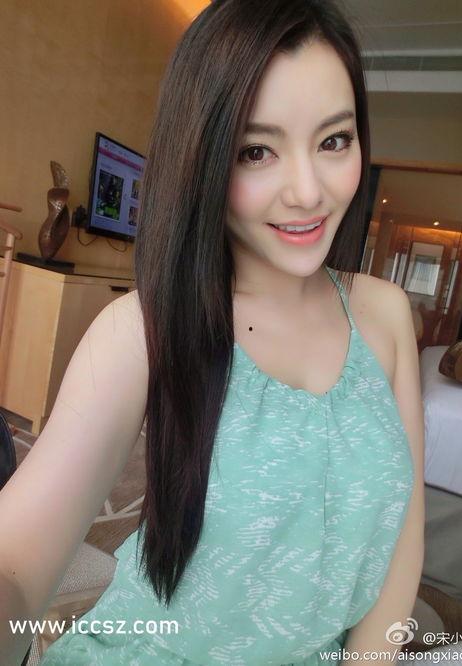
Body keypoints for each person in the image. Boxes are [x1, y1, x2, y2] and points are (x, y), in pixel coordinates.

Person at [0, 0, 427, 664]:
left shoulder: (387, 316)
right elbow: (16, 567)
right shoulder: (141, 331)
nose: (308, 191)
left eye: (333, 141)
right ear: (202, 158)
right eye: (256, 150)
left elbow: (403, 540)